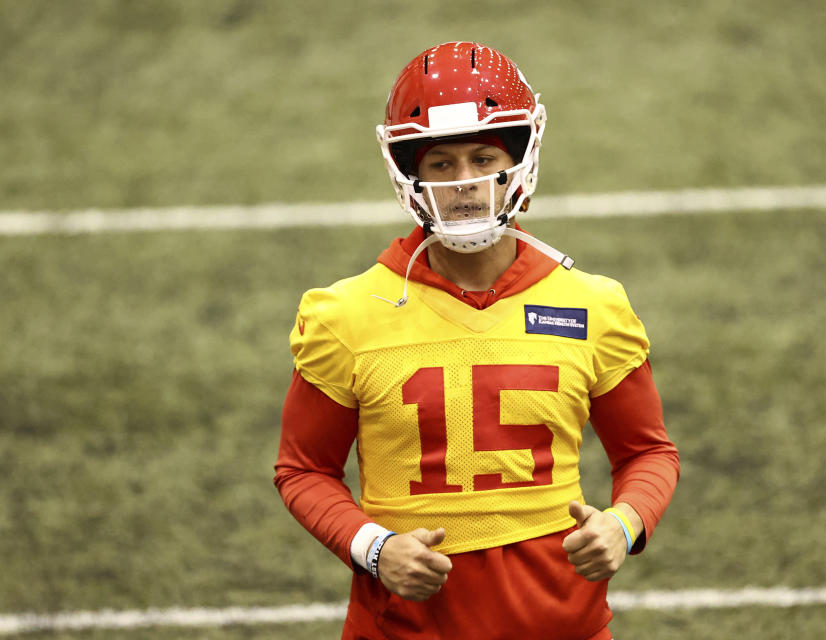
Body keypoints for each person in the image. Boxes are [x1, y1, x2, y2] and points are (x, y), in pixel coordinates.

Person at [274, 41, 679, 640]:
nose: (464, 182)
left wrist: (625, 523)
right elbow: (303, 469)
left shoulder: (595, 305)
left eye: (483, 157)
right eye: (441, 164)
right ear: (411, 174)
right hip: (405, 630)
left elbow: (648, 453)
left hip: (563, 626)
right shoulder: (346, 314)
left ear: (517, 160)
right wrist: (374, 548)